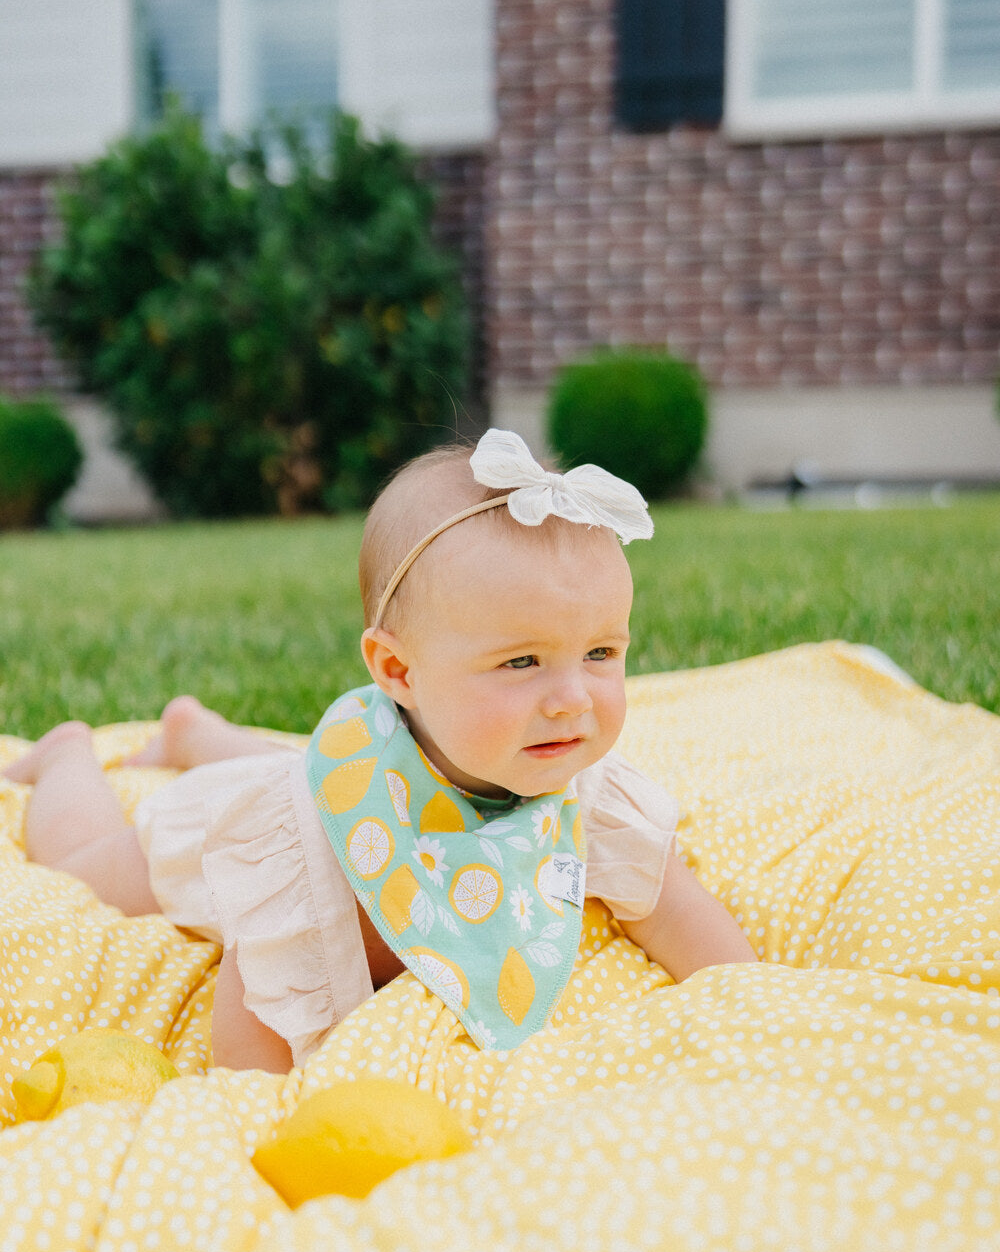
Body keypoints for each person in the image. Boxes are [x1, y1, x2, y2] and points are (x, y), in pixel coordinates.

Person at [5, 431, 757, 1071]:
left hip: (310, 771)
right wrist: (255, 1113)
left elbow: (673, 910)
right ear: (398, 672)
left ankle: (193, 732)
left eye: (599, 653)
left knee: (288, 762)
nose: (572, 699)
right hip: (210, 830)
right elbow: (256, 995)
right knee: (80, 863)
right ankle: (66, 756)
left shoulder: (583, 784)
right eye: (522, 662)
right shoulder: (313, 841)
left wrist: (756, 1011)